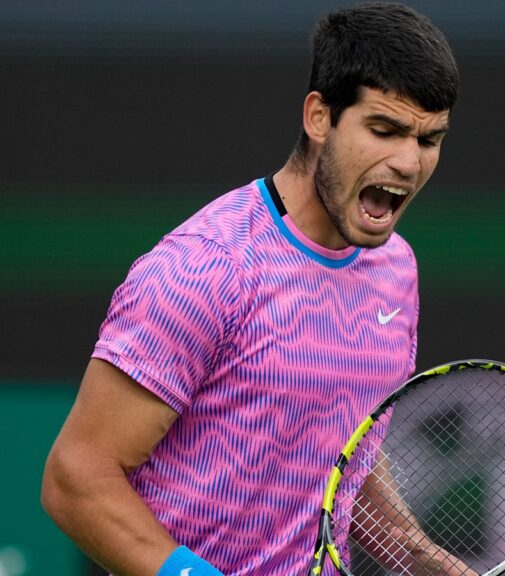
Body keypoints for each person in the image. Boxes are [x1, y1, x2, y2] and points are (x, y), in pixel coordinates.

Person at [41, 3, 463, 575]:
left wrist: (419, 558)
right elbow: (76, 478)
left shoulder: (395, 269)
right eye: (383, 130)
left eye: (429, 139)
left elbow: (341, 445)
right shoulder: (205, 269)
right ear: (319, 117)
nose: (409, 162)